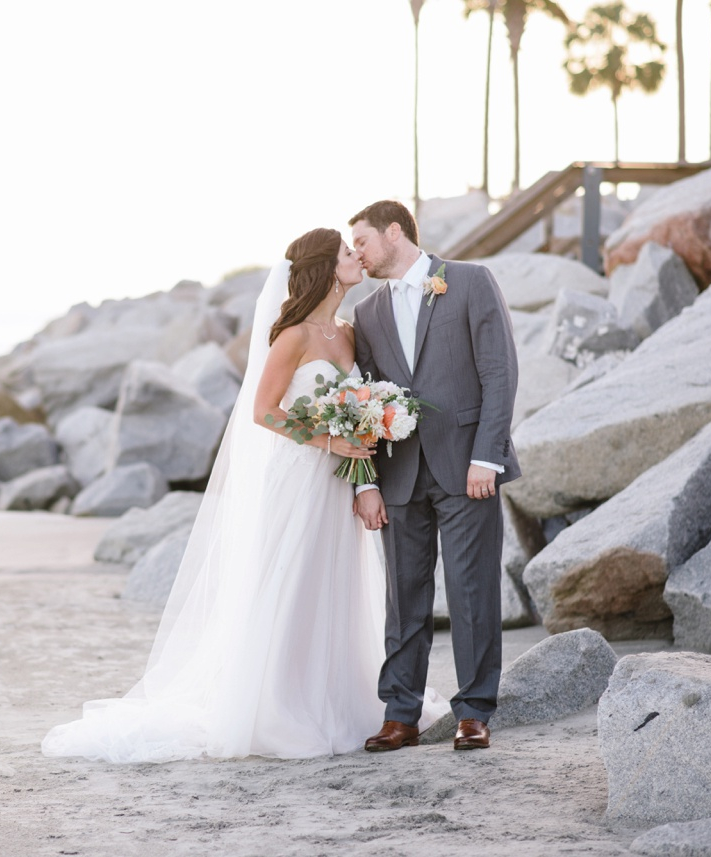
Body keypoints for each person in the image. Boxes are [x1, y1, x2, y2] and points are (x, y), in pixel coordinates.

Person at [42, 227, 445, 763]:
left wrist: (365, 478)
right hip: (298, 478)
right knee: (291, 584)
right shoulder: (294, 336)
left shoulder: (348, 333)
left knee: (337, 587)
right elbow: (264, 412)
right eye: (348, 253)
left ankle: (336, 702)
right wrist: (329, 439)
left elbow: (359, 416)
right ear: (326, 268)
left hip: (338, 483)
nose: (357, 257)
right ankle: (278, 707)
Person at [348, 200, 520, 753]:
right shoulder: (368, 312)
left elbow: (499, 373)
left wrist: (486, 457)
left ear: (394, 232)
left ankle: (474, 711)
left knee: (472, 593)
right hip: (400, 475)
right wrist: (366, 480)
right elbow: (365, 403)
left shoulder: (468, 282)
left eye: (363, 242)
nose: (357, 254)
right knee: (404, 600)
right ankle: (402, 713)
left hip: (466, 466)